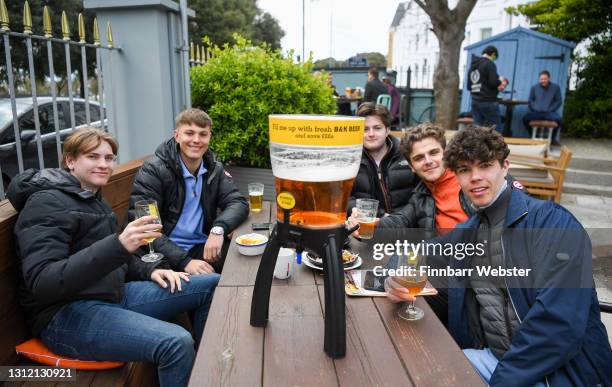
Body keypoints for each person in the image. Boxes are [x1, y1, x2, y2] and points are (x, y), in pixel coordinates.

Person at [386, 126, 612, 386]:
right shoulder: (466, 233)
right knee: (413, 371)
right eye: (464, 170)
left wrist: (501, 381)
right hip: (494, 359)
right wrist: (393, 276)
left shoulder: (552, 223)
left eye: (485, 165)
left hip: (562, 371)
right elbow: (413, 254)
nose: (475, 177)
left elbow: (558, 326)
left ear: (505, 166)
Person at [7, 128, 220, 387]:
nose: (104, 164)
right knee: (175, 342)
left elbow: (115, 255)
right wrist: (119, 245)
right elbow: (43, 282)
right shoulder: (46, 204)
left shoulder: (90, 196)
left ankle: (210, 371)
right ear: (71, 161)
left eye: (109, 158)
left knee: (211, 284)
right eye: (93, 157)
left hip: (111, 295)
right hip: (65, 316)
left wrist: (149, 271)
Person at [130, 108, 249, 275]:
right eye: (190, 133)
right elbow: (147, 227)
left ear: (210, 137)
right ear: (177, 135)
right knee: (221, 280)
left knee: (251, 259)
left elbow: (238, 202)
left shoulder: (213, 168)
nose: (196, 140)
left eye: (203, 134)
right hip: (164, 255)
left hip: (201, 246)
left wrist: (218, 229)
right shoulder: (153, 171)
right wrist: (184, 261)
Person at [348, 102, 418, 217]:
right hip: (369, 227)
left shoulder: (407, 154)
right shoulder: (350, 159)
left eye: (377, 128)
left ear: (387, 130)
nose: (371, 134)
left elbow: (421, 192)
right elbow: (343, 199)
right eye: (365, 129)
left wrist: (400, 220)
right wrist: (380, 215)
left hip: (407, 225)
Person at [467, 45, 508, 132]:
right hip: (488, 101)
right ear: (493, 54)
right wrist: (500, 80)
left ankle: (477, 145)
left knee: (477, 130)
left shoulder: (472, 66)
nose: (494, 60)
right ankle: (495, 146)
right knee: (495, 130)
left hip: (475, 101)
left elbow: (468, 86)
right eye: (495, 58)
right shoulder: (489, 64)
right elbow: (493, 82)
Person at [522, 70, 563, 145]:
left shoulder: (556, 87)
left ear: (549, 78)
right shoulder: (534, 87)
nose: (543, 81)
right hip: (537, 113)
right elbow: (530, 100)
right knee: (525, 119)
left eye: (545, 79)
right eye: (541, 79)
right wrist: (534, 108)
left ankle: (552, 139)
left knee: (559, 120)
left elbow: (559, 101)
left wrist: (551, 109)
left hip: (549, 113)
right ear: (539, 79)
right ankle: (532, 136)